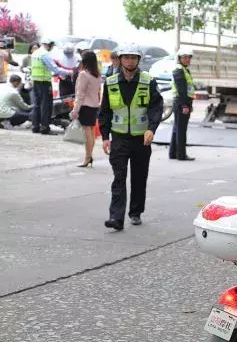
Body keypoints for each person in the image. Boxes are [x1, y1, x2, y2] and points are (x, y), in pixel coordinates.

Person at [98, 43, 163, 231]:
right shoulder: (110, 82)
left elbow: (156, 107)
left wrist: (151, 128)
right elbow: (105, 112)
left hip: (141, 139)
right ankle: (116, 218)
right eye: (126, 57)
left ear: (138, 60)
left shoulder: (148, 81)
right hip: (119, 139)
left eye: (133, 58)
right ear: (120, 59)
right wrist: (104, 136)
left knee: (139, 177)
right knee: (119, 177)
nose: (129, 60)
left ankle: (135, 212)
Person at [30, 39, 72, 135]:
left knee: (36, 105)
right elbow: (54, 68)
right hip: (44, 82)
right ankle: (45, 128)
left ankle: (35, 127)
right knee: (46, 106)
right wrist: (68, 72)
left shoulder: (35, 53)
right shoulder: (45, 54)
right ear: (49, 45)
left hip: (36, 81)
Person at [72, 51, 102, 168]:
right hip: (94, 105)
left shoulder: (83, 74)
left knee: (87, 133)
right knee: (91, 132)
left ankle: (87, 158)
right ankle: (89, 156)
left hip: (85, 106)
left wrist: (75, 109)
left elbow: (80, 94)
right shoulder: (97, 75)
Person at [169, 47, 195, 160]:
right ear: (179, 58)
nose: (187, 59)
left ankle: (173, 153)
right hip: (181, 102)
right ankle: (181, 154)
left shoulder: (184, 70)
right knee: (181, 129)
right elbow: (182, 89)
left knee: (177, 128)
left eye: (189, 57)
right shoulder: (179, 70)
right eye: (185, 57)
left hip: (182, 102)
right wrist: (185, 105)